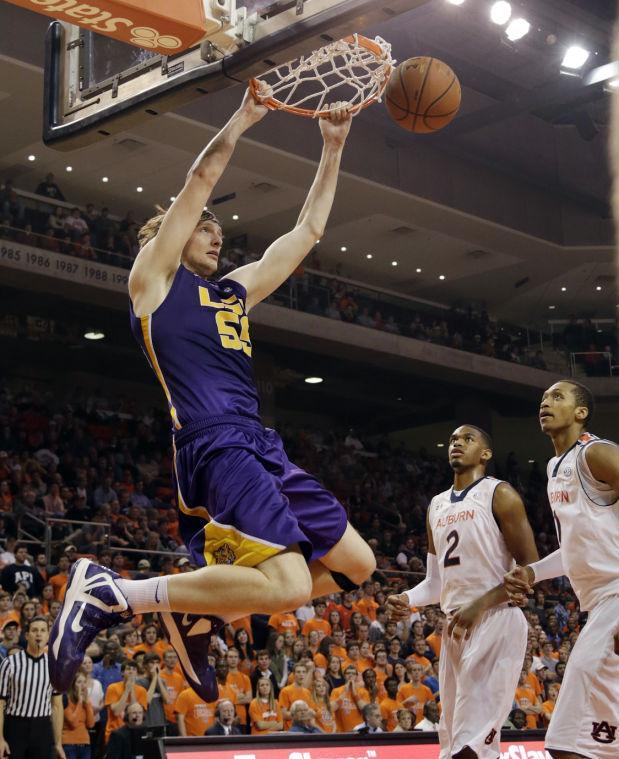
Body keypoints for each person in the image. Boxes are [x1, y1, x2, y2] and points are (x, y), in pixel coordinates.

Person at [49, 86, 374, 708]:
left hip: (262, 444)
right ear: (167, 237)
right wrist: (245, 116)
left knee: (358, 563)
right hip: (214, 443)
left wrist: (333, 147)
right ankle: (114, 592)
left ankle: (203, 614)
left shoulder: (231, 293)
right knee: (282, 587)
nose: (216, 236)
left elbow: (307, 230)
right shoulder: (152, 283)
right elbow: (200, 177)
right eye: (205, 228)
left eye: (219, 231)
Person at [387, 425, 539, 759]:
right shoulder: (436, 506)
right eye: (454, 439)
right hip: (455, 626)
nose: (457, 443)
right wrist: (406, 599)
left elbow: (532, 567)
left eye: (467, 439)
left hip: (496, 620)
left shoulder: (500, 494)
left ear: (485, 454)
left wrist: (480, 604)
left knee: (471, 745)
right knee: (452, 740)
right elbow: (435, 584)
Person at [504, 380, 619, 759]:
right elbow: (576, 546)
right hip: (598, 603)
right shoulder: (556, 465)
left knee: (566, 741)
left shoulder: (595, 453)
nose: (546, 403)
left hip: (615, 598)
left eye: (557, 397)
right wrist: (533, 572)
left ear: (581, 412)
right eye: (542, 399)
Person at [0, 616, 65, 758]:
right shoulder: (10, 663)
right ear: (27, 635)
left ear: (48, 636)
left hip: (42, 727)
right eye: (35, 630)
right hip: (15, 726)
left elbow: (57, 706)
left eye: (43, 630)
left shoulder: (54, 666)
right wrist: (0, 738)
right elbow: (0, 703)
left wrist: (58, 743)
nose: (39, 634)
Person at [103, 660, 148, 744]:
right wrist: (127, 690)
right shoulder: (112, 688)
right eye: (128, 669)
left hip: (133, 733)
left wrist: (131, 690)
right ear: (122, 673)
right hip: (114, 732)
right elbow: (116, 712)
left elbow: (136, 713)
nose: (131, 671)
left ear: (137, 673)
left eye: (134, 669)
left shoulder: (142, 691)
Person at [61, 671, 95, 759]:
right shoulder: (65, 700)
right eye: (79, 682)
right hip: (69, 744)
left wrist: (86, 703)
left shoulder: (86, 702)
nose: (82, 685)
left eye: (84, 682)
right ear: (72, 685)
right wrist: (80, 702)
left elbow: (91, 724)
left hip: (85, 744)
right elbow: (73, 723)